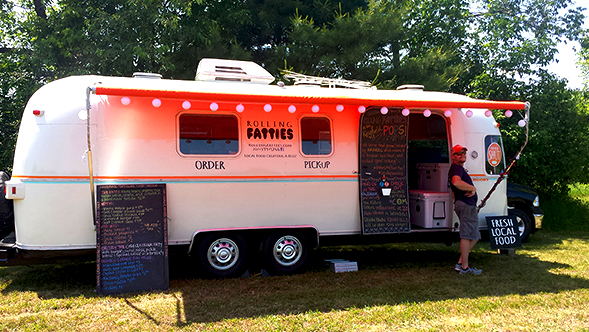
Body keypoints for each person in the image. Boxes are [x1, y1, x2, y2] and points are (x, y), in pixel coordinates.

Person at [448, 145, 482, 275]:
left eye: (464, 153)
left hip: (462, 203)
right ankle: (464, 268)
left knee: (475, 235)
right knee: (467, 235)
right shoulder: (456, 168)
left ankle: (461, 262)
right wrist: (473, 189)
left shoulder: (457, 168)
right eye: (459, 153)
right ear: (453, 156)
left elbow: (453, 190)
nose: (462, 155)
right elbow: (456, 183)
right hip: (466, 205)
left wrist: (458, 200)